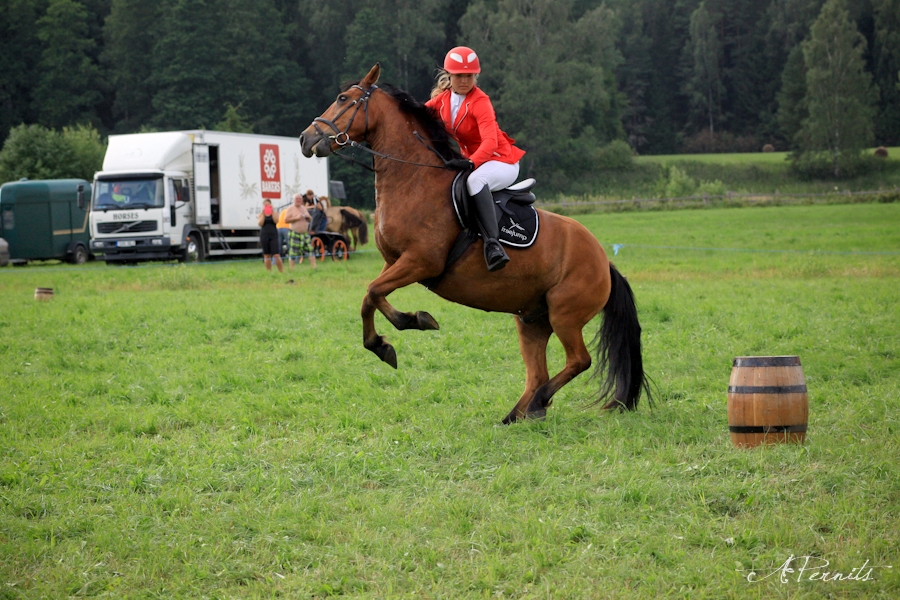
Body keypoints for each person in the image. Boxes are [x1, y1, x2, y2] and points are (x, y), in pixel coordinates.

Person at [425, 46, 525, 272]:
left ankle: (493, 245)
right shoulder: (443, 100)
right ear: (449, 75)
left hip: (502, 161)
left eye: (469, 76)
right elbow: (418, 115)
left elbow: (490, 142)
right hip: (478, 162)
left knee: (474, 181)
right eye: (459, 75)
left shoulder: (481, 102)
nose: (464, 80)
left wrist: (471, 163)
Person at [283, 193, 316, 270]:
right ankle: (292, 269)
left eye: (300, 199)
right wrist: (296, 218)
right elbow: (286, 220)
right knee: (293, 252)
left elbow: (310, 219)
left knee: (310, 250)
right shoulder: (290, 208)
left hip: (305, 233)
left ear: (302, 200)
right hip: (295, 233)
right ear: (294, 200)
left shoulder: (303, 208)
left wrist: (308, 217)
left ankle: (315, 267)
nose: (298, 200)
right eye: (297, 199)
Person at [257, 199, 284, 273]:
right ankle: (269, 271)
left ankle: (281, 271)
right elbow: (260, 223)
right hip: (264, 234)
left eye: (268, 205)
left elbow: (276, 221)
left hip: (273, 234)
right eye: (265, 205)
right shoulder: (260, 214)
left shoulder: (275, 213)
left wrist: (272, 211)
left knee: (276, 254)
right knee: (266, 255)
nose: (267, 206)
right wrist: (263, 213)